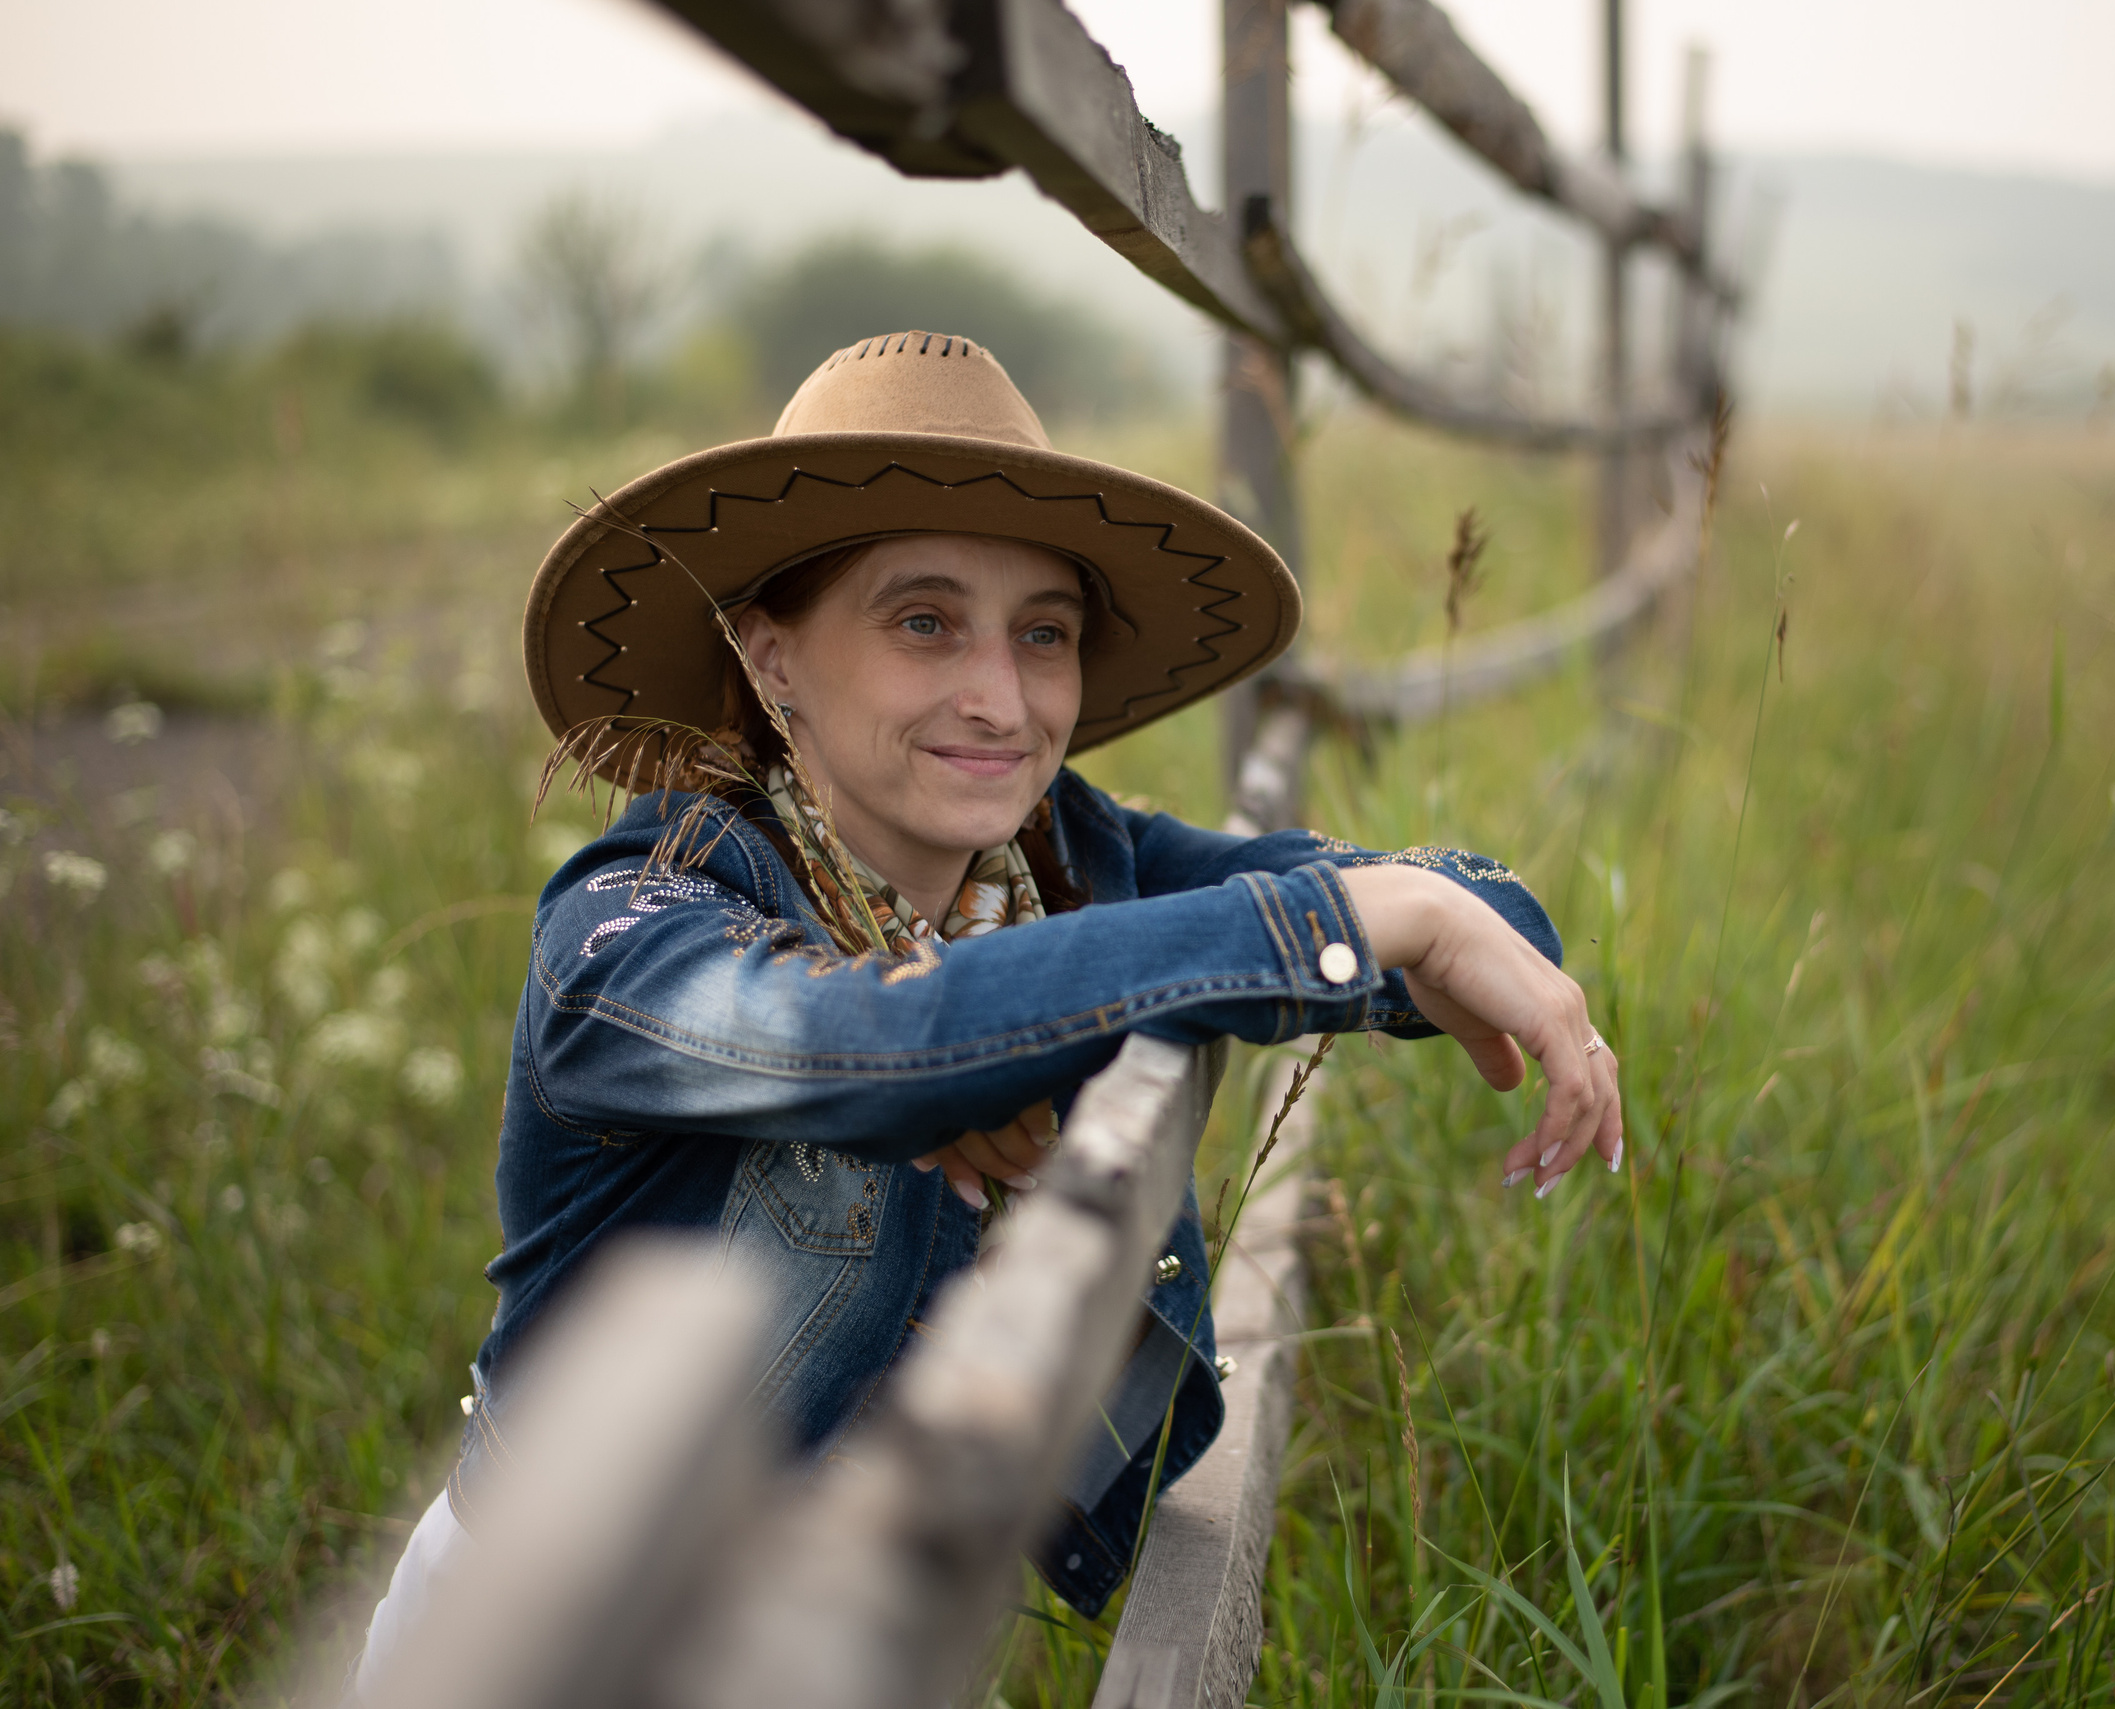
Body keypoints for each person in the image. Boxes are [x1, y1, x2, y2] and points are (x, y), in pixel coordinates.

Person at [352, 331, 1620, 1690]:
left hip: (863, 1641)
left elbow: (1493, 922)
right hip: (556, 1648)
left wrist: (1412, 911)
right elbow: (875, 1037)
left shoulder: (1071, 862)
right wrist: (1312, 932)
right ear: (773, 659)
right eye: (924, 621)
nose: (1002, 700)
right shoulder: (630, 930)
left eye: (1043, 633)